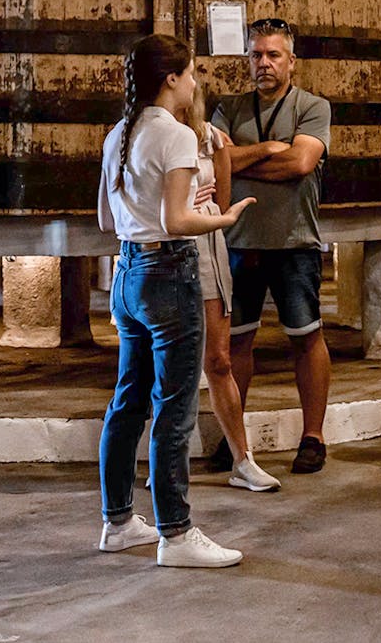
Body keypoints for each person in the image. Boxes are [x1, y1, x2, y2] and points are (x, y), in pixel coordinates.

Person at [96, 33, 254, 568]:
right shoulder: (179, 135)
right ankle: (177, 534)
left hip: (128, 272)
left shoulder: (119, 133)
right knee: (175, 409)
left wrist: (179, 208)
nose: (195, 82)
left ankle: (118, 521)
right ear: (171, 79)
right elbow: (177, 221)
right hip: (170, 272)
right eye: (190, 73)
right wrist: (223, 218)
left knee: (127, 402)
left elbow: (104, 220)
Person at [212, 18, 332, 475]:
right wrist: (266, 150)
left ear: (291, 62)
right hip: (237, 241)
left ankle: (313, 436)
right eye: (256, 55)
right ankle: (235, 437)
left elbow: (301, 162)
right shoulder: (230, 107)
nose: (264, 63)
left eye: (273, 54)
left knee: (306, 337)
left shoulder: (312, 106)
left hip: (294, 241)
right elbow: (213, 162)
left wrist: (239, 162)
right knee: (235, 345)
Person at [185, 91, 279, 493]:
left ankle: (243, 460)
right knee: (168, 364)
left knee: (219, 359)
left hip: (205, 248)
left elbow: (220, 208)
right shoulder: (145, 134)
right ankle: (167, 462)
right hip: (162, 245)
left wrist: (203, 211)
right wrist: (180, 203)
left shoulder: (211, 139)